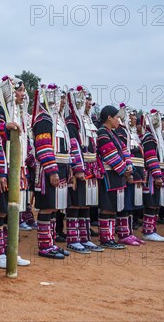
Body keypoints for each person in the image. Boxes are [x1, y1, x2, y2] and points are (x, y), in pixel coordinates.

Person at [0, 76, 31, 268]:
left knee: (14, 212)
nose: (22, 94)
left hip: (17, 170)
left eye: (23, 91)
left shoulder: (18, 113)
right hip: (5, 169)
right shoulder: (1, 111)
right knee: (1, 211)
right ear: (10, 93)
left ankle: (11, 251)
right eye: (19, 90)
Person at [32, 84, 71, 259]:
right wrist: (52, 170)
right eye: (59, 98)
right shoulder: (44, 119)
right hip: (48, 170)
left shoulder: (58, 120)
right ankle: (44, 245)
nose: (62, 102)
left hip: (60, 168)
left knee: (54, 208)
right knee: (47, 207)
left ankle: (52, 242)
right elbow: (43, 147)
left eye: (63, 99)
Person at [64, 87, 104, 253]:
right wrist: (78, 168)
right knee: (75, 203)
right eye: (85, 100)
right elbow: (74, 145)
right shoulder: (72, 122)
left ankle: (85, 238)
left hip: (91, 168)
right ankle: (73, 239)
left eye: (89, 100)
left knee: (86, 204)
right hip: (79, 168)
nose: (88, 103)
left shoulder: (88, 121)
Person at [96, 106, 131, 250]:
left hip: (118, 174)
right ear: (109, 118)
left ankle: (110, 237)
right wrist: (124, 169)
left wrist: (129, 166)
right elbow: (109, 154)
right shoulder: (102, 133)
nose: (119, 120)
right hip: (109, 175)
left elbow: (124, 150)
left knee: (113, 208)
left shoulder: (113, 133)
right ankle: (105, 238)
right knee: (107, 207)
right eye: (117, 117)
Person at [114, 105, 146, 246]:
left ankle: (129, 232)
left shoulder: (131, 133)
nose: (134, 118)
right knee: (125, 204)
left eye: (135, 116)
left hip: (136, 173)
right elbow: (123, 152)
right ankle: (123, 234)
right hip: (127, 172)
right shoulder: (120, 131)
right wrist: (128, 170)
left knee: (131, 205)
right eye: (131, 115)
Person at [139, 110, 164, 242]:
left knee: (157, 204)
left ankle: (152, 230)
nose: (163, 124)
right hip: (152, 177)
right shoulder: (150, 138)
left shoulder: (158, 138)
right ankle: (148, 231)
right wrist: (157, 175)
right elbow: (150, 157)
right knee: (151, 204)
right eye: (161, 121)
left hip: (159, 174)